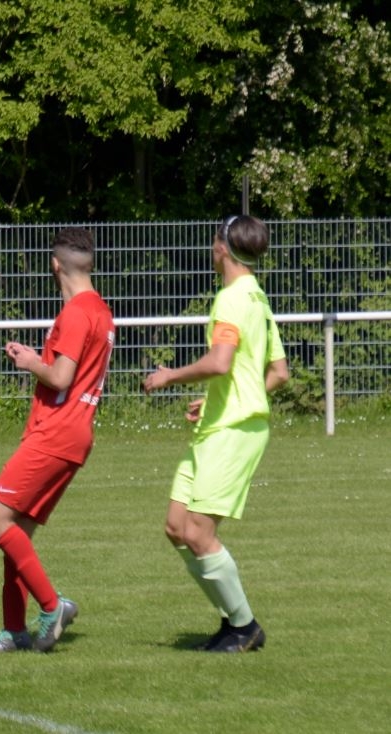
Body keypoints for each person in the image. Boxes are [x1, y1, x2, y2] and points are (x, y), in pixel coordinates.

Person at [143, 215, 288, 653]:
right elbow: (278, 372)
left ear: (222, 247)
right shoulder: (257, 296)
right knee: (176, 527)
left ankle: (244, 627)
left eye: (213, 241)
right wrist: (216, 401)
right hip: (220, 424)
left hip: (234, 431)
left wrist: (169, 376)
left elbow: (220, 362)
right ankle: (231, 620)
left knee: (198, 533)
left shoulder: (231, 298)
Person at [0, 227, 114, 653]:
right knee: (16, 534)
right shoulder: (101, 311)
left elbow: (60, 377)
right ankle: (14, 631)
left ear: (55, 265)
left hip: (55, 431)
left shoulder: (75, 313)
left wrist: (31, 361)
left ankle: (53, 607)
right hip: (76, 434)